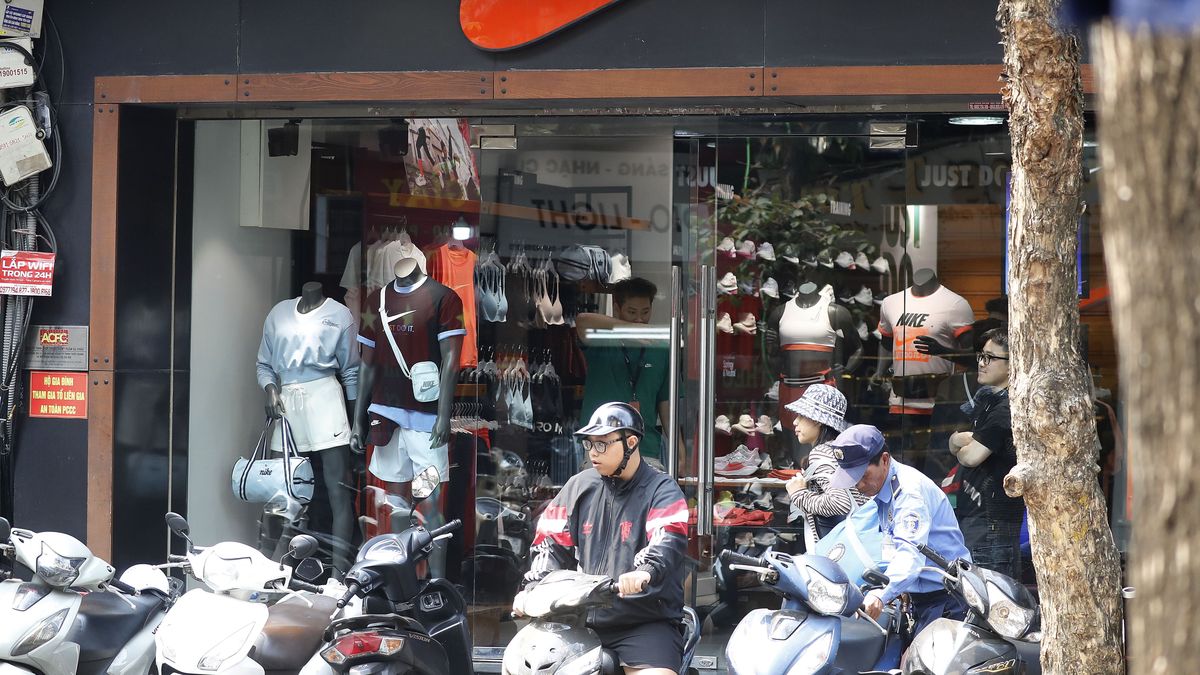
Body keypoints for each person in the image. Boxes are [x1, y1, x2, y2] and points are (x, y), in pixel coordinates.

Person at [519, 402, 689, 675]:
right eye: (589, 444)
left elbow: (667, 537)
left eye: (602, 444)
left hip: (644, 623)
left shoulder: (662, 489)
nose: (593, 453)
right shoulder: (579, 486)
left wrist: (645, 571)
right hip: (578, 620)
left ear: (631, 442)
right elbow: (549, 542)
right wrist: (534, 585)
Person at [827, 424, 971, 638]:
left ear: (884, 460)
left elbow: (909, 554)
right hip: (925, 598)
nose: (857, 484)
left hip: (948, 600)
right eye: (852, 477)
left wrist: (881, 595)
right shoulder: (886, 489)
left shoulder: (908, 494)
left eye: (863, 474)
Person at [950, 327, 1024, 579]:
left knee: (994, 606)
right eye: (981, 356)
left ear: (1012, 364)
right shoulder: (988, 400)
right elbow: (955, 443)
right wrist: (959, 441)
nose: (981, 363)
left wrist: (962, 445)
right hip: (977, 520)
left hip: (993, 524)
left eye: (990, 358)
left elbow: (971, 457)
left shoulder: (1007, 407)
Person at [577, 278, 672, 462]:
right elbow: (582, 321)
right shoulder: (602, 340)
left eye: (645, 312)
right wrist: (630, 330)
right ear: (617, 308)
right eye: (632, 312)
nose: (639, 319)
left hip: (646, 448)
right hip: (601, 447)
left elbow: (665, 402)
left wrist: (679, 447)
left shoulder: (660, 348)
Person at [782, 384, 868, 548]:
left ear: (817, 420)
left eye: (801, 415)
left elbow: (840, 504)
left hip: (838, 549)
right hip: (856, 544)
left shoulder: (822, 453)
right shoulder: (840, 450)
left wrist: (799, 494)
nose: (795, 421)